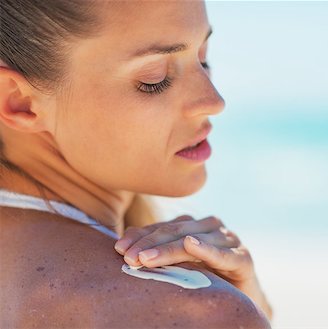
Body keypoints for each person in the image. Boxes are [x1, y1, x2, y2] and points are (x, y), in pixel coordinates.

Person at [0, 0, 273, 328]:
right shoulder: (194, 310)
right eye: (155, 79)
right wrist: (237, 309)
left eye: (203, 58)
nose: (213, 102)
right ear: (19, 101)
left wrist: (253, 302)